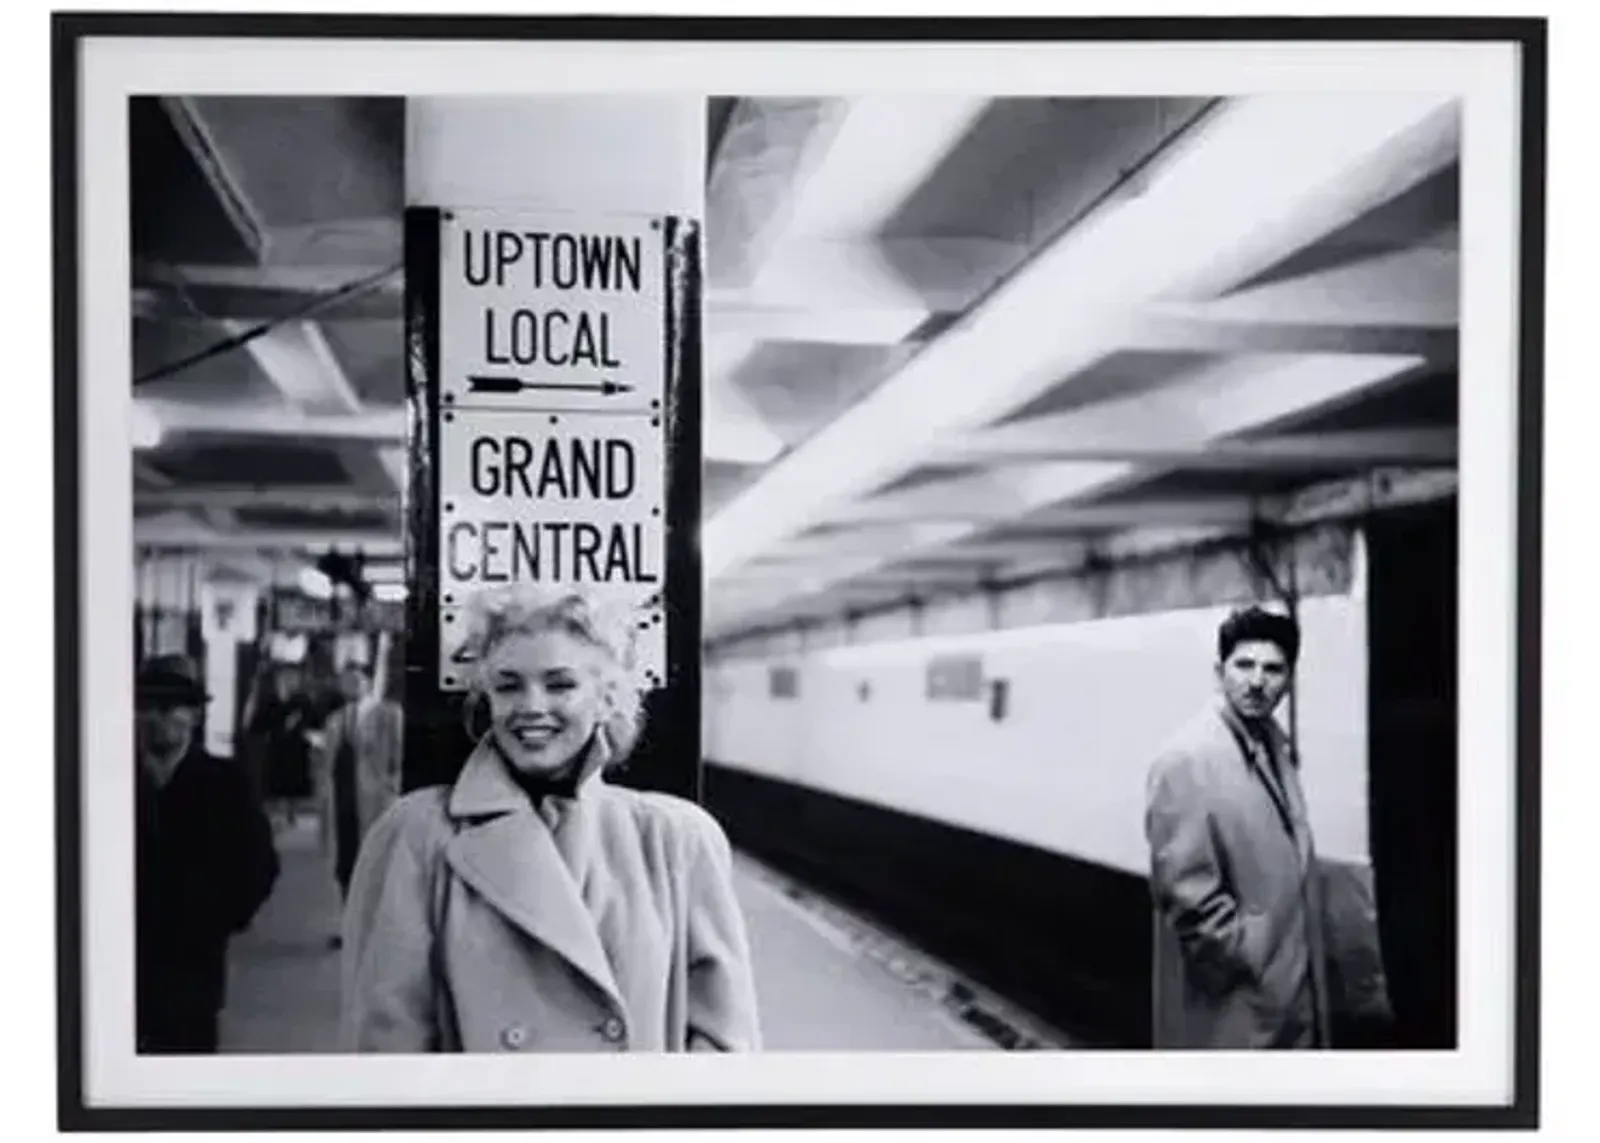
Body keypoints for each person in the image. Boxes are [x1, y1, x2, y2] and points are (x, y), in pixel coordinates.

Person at [339, 586, 762, 1053]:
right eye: (508, 685)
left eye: (560, 684)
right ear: (487, 700)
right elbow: (385, 1049)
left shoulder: (675, 839)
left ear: (606, 699)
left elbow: (726, 1050)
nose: (531, 707)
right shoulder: (416, 835)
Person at [1143, 605, 1331, 1049]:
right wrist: (1249, 960)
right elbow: (1188, 897)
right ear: (1219, 671)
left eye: (1273, 669)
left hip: (1284, 993)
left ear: (1289, 680)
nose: (1257, 681)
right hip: (1239, 1007)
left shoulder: (1271, 745)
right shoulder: (1187, 760)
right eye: (1243, 665)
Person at [135, 654, 280, 1054]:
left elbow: (259, 863)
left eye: (168, 708)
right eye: (145, 707)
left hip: (194, 959)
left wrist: (221, 917)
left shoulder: (224, 783)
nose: (155, 718)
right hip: (122, 958)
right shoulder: (112, 781)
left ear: (194, 716)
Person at [318, 662, 403, 945]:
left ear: (368, 682)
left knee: (375, 863)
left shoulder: (388, 714)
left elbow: (399, 758)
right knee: (345, 865)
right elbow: (327, 766)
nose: (351, 685)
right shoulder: (334, 721)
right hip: (342, 802)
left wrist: (392, 791)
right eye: (345, 680)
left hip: (375, 802)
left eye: (356, 679)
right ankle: (350, 925)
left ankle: (377, 927)